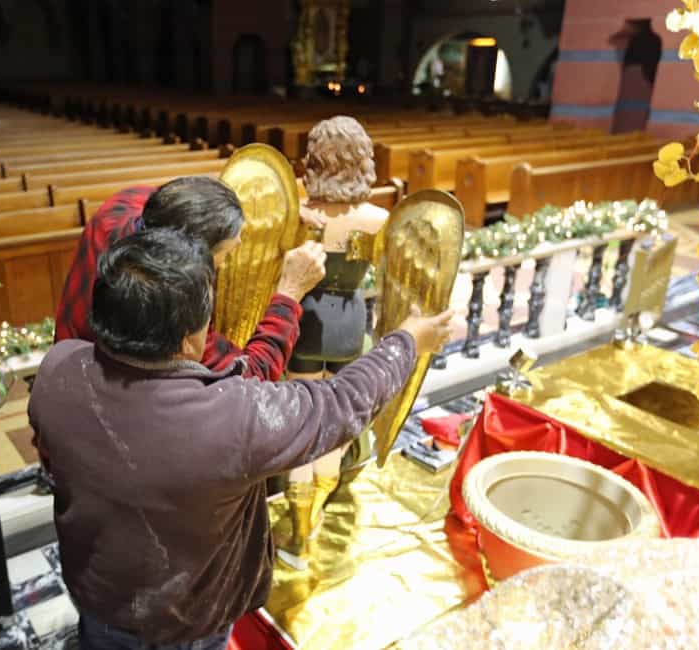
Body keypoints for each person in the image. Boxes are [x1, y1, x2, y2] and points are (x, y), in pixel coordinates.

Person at [28, 229, 453, 649]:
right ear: (189, 339)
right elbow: (341, 403)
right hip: (188, 620)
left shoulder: (57, 369)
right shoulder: (230, 417)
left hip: (100, 596)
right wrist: (407, 341)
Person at [54, 176, 325, 381]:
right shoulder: (166, 300)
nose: (229, 260)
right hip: (99, 394)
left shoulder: (128, 202)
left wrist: (276, 216)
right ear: (191, 262)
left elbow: (188, 214)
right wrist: (290, 292)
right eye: (226, 255)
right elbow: (253, 375)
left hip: (64, 365)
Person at [279, 116, 390, 570]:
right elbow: (388, 284)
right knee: (336, 428)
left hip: (306, 323)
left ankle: (299, 534)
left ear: (317, 157)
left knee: (305, 428)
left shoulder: (301, 215)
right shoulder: (378, 219)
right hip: (350, 325)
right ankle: (317, 517)